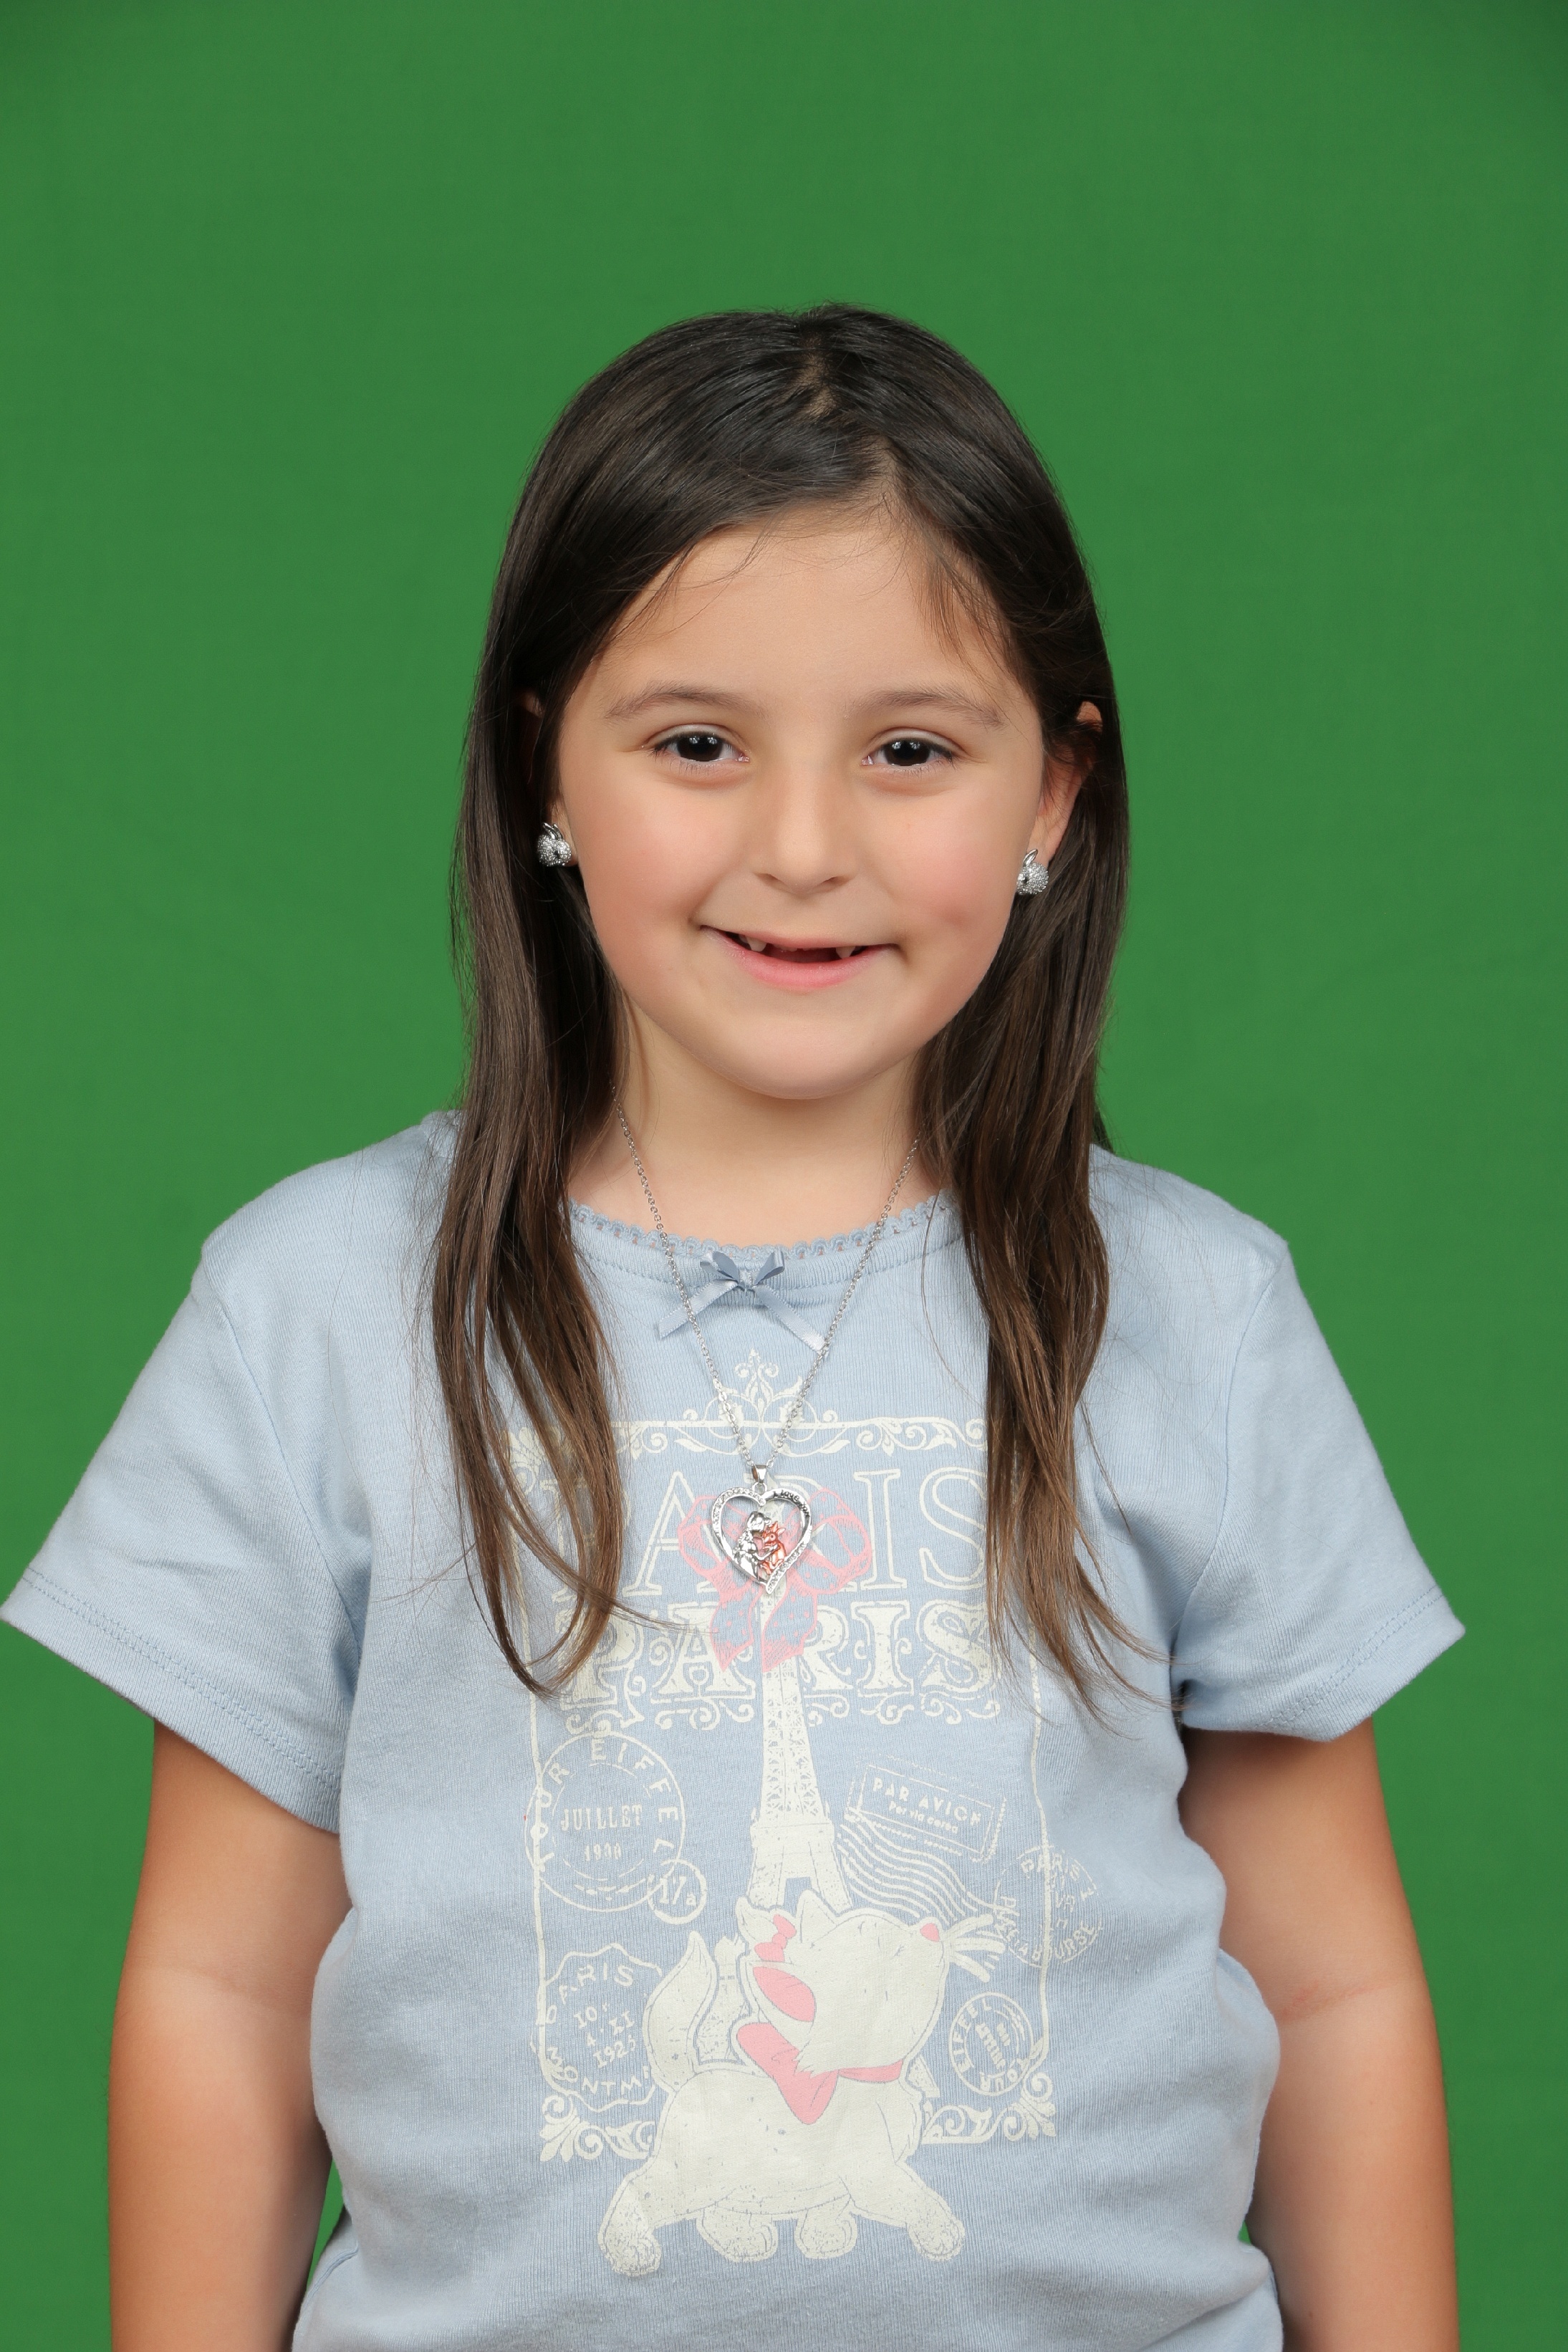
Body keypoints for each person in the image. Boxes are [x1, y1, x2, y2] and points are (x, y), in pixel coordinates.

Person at [1, 306, 1463, 2352]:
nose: (802, 847)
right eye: (697, 743)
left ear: (1053, 791)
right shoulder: (317, 1302)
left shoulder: (1196, 1312)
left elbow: (1334, 1984)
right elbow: (223, 1989)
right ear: (547, 764)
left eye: (911, 750)